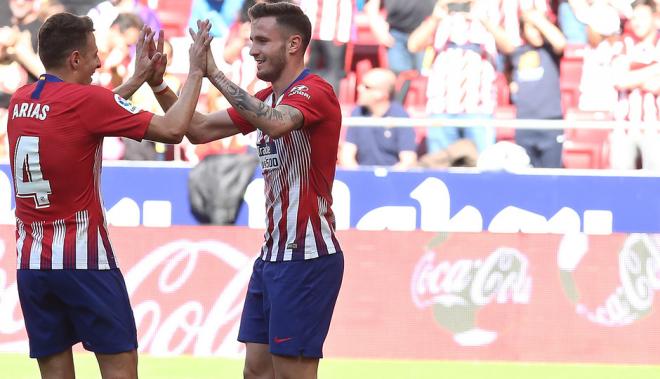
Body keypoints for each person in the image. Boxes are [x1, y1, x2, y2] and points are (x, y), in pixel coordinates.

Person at [7, 12, 210, 378]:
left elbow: (87, 113)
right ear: (75, 59)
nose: (100, 61)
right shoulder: (86, 102)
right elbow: (174, 128)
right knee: (120, 370)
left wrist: (136, 79)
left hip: (32, 265)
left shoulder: (22, 101)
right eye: (93, 54)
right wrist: (196, 71)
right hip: (84, 261)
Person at [148, 3, 344, 378]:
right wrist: (159, 83)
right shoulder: (266, 97)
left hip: (306, 257)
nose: (252, 49)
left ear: (293, 44)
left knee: (292, 374)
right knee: (256, 372)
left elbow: (275, 125)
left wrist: (214, 74)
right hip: (271, 257)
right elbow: (199, 128)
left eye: (261, 40)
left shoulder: (315, 90)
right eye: (252, 39)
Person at [482, 9, 567, 168]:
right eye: (531, 27)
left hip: (550, 123)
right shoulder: (517, 53)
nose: (536, 32)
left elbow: (560, 42)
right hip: (524, 124)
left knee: (552, 175)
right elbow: (505, 46)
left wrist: (537, 19)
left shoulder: (550, 51)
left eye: (539, 28)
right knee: (526, 175)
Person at [608, 0, 660, 169]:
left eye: (642, 17)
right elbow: (619, 79)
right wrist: (655, 69)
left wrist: (632, 76)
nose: (637, 22)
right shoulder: (624, 43)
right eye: (634, 18)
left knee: (655, 185)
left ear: (655, 18)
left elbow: (656, 86)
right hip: (624, 127)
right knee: (620, 185)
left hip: (655, 128)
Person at [339, 68, 417, 168]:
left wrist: (387, 180)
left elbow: (408, 160)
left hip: (392, 178)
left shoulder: (400, 116)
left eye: (366, 87)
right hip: (362, 177)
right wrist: (359, 178)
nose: (359, 88)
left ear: (383, 93)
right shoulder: (357, 112)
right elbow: (347, 155)